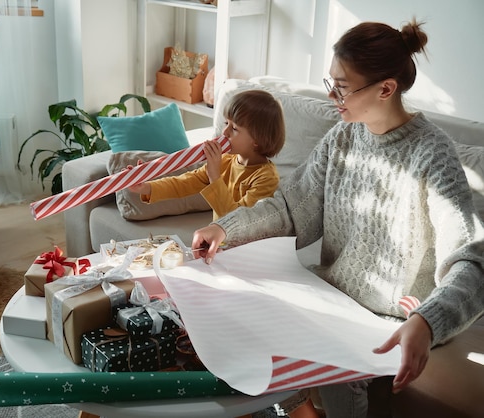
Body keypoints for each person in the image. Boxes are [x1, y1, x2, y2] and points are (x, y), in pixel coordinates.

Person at [191, 18, 484, 418]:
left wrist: (428, 321)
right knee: (241, 310)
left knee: (339, 373)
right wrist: (225, 227)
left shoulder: (433, 155)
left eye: (342, 87)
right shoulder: (343, 137)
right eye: (331, 83)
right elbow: (292, 211)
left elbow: (471, 261)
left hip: (394, 315)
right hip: (333, 296)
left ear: (385, 88)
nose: (333, 96)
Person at [128, 89, 285, 221]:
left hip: (244, 248)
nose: (225, 132)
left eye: (234, 128)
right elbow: (185, 182)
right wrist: (147, 187)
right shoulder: (226, 161)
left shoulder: (266, 178)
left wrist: (214, 176)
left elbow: (237, 221)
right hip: (218, 242)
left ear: (257, 140)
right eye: (226, 124)